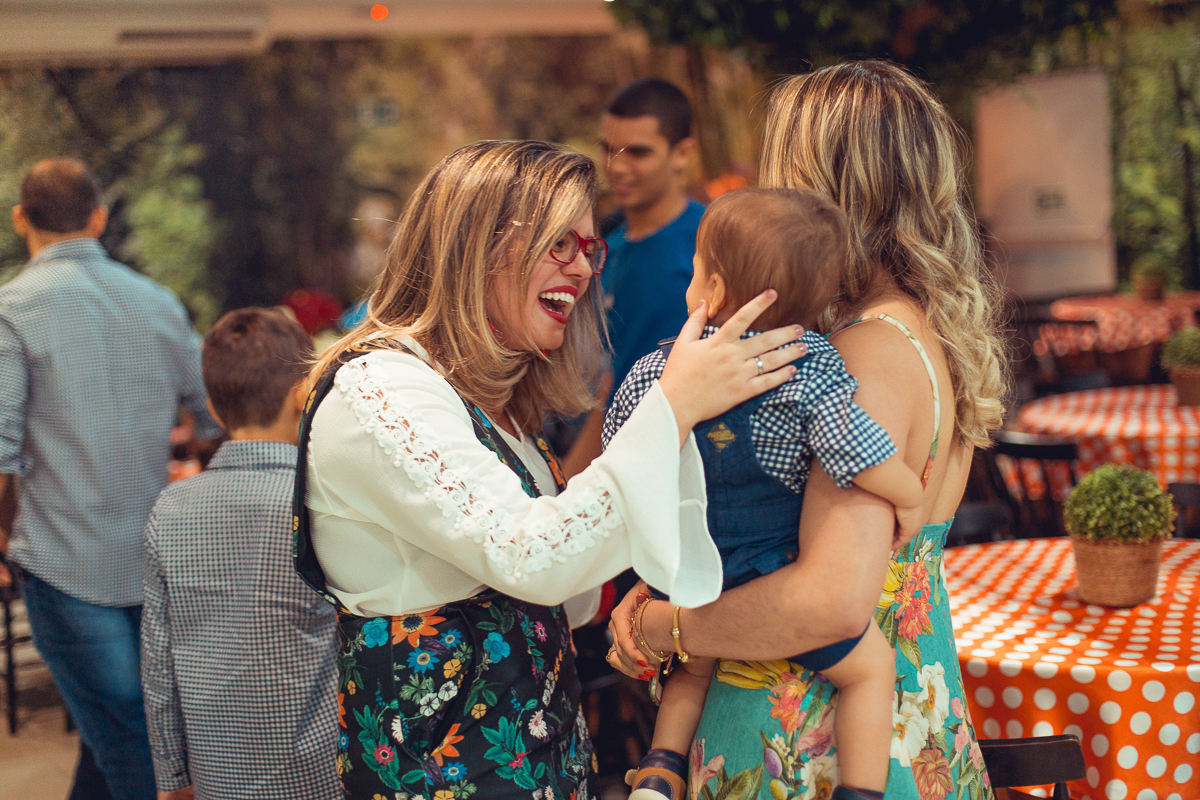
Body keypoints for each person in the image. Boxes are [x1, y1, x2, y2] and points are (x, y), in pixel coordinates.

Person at [293, 140, 807, 800]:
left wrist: (644, 598)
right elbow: (536, 558)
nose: (584, 268)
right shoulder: (381, 391)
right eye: (558, 243)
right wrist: (673, 404)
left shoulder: (490, 407)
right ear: (475, 243)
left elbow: (566, 590)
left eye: (588, 249)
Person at [607, 61, 1008, 800]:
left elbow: (830, 601)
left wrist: (668, 627)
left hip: (807, 743)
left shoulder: (860, 353)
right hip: (903, 717)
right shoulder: (920, 326)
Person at [608, 188, 926, 800]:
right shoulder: (812, 372)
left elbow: (623, 447)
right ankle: (862, 791)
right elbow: (856, 454)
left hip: (696, 560)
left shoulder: (658, 369)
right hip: (771, 567)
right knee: (870, 668)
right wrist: (908, 493)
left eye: (697, 265)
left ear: (717, 291)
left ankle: (660, 764)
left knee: (693, 659)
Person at [0, 158, 220, 800]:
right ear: (99, 218)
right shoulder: (156, 302)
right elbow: (213, 417)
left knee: (129, 739)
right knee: (124, 726)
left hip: (63, 561)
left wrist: (4, 540)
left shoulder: (11, 309)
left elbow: (2, 452)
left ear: (21, 221)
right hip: (156, 552)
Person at [140, 307, 339, 800]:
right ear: (304, 392)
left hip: (218, 777)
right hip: (324, 772)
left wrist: (172, 779)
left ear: (211, 403)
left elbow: (158, 661)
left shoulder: (170, 509)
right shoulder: (327, 500)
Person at [560, 78, 703, 478]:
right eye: (608, 149)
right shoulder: (607, 245)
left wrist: (570, 483)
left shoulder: (712, 244)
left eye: (638, 152)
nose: (617, 166)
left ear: (682, 154)